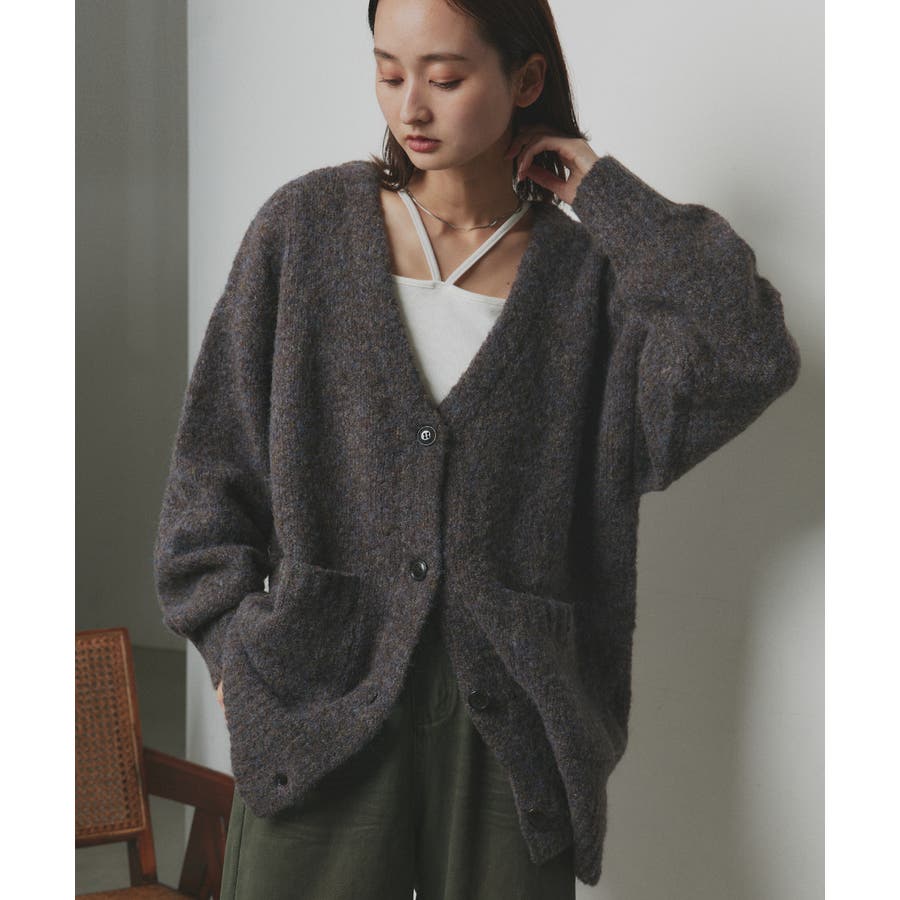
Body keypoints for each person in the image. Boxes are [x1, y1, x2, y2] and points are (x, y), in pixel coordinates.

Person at [154, 0, 801, 896]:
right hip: (320, 700)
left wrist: (604, 192)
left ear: (526, 79)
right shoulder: (304, 232)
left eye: (446, 77)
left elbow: (749, 350)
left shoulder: (588, 286)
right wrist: (235, 652)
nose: (410, 106)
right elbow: (211, 471)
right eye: (388, 71)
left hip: (512, 719)